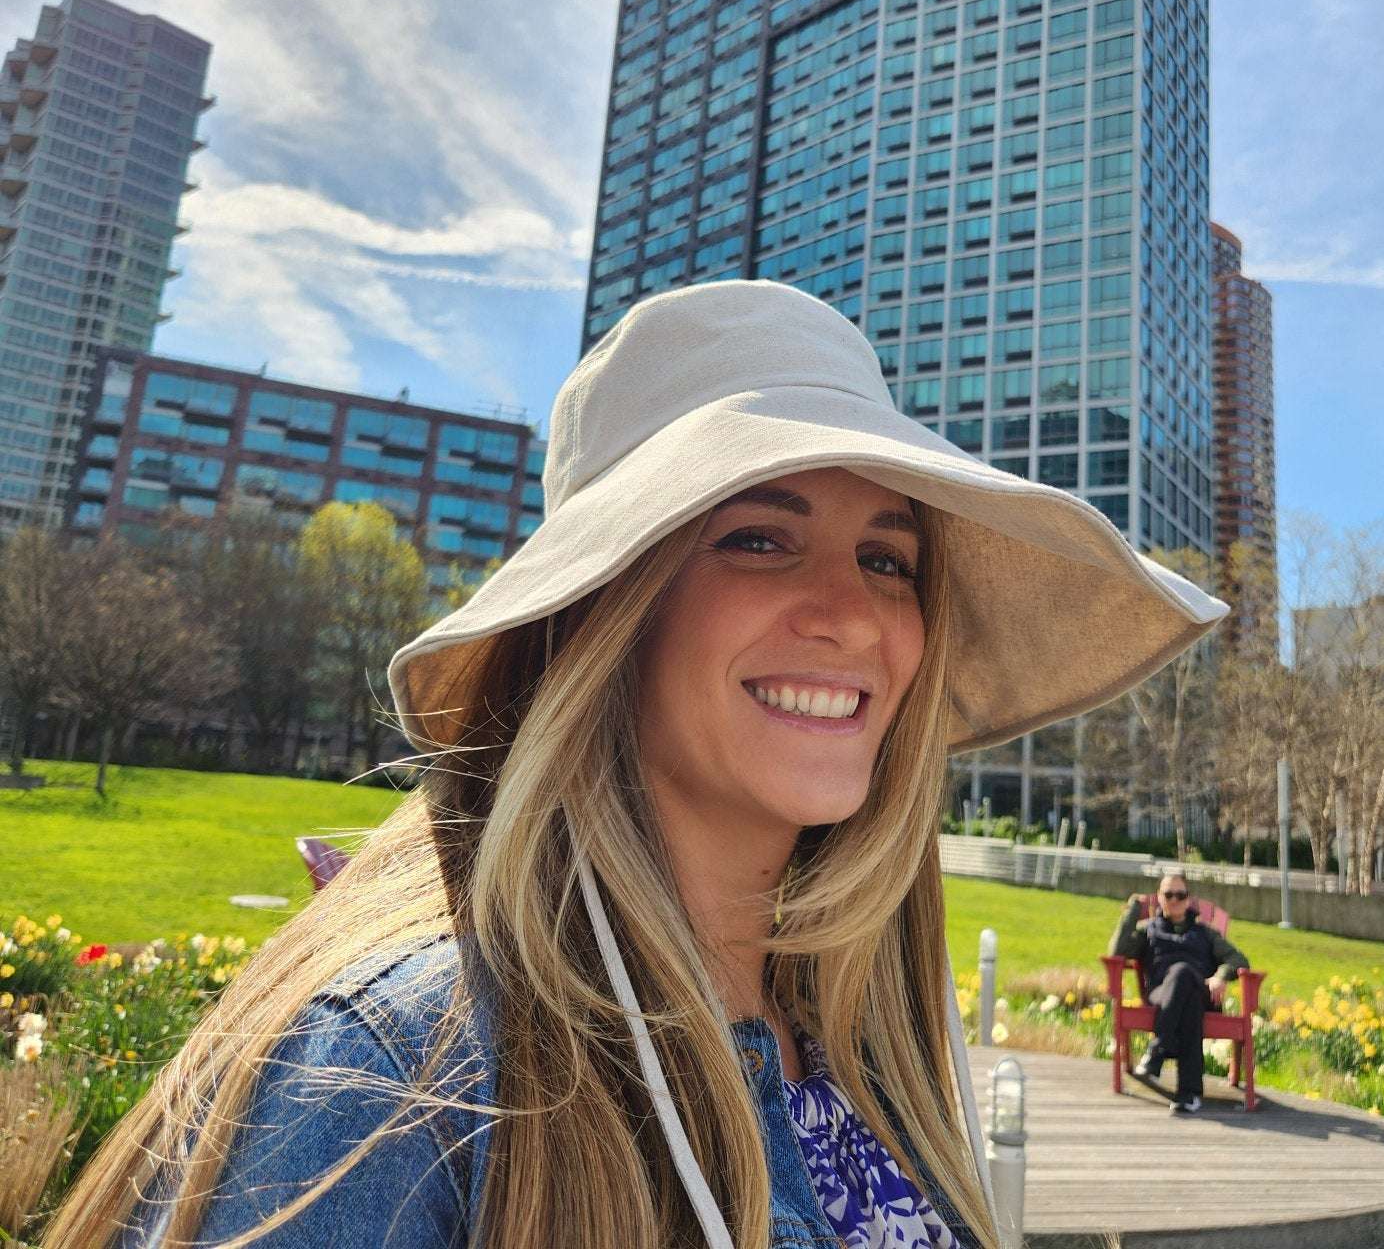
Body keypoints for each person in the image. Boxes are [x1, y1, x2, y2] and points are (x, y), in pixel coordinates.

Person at [56, 280, 1228, 1249]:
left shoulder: (868, 1039)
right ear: (600, 617)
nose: (851, 613)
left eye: (887, 557)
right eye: (758, 538)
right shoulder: (404, 1073)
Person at [1109, 874, 1251, 1117]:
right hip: (1162, 995)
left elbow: (1239, 959)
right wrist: (1134, 908)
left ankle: (1158, 1050)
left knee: (1187, 978)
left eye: (1180, 895)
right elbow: (1117, 950)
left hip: (1202, 992)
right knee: (1187, 996)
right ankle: (1189, 1094)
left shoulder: (1205, 933)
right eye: (1168, 895)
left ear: (1188, 900)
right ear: (1159, 898)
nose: (1174, 900)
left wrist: (1220, 976)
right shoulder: (1148, 931)